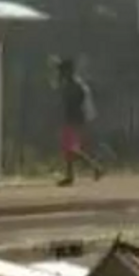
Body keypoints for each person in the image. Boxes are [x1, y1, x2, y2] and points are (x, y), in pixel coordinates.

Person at [55, 58, 104, 186]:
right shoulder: (73, 84)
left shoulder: (75, 85)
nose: (60, 73)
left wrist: (82, 116)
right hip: (73, 118)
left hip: (74, 119)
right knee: (68, 150)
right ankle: (71, 176)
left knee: (71, 149)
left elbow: (79, 103)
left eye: (62, 71)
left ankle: (96, 167)